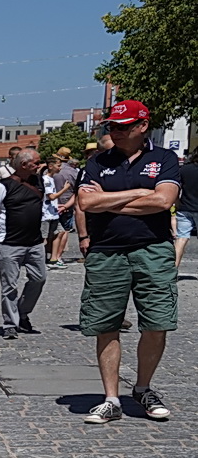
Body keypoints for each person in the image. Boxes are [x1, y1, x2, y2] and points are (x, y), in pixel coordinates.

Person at [75, 99, 181, 423]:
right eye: (112, 126)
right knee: (105, 325)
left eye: (123, 126)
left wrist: (107, 201)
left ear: (142, 125)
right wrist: (139, 193)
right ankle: (111, 398)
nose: (115, 132)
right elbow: (85, 202)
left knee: (158, 322)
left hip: (154, 249)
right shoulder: (98, 161)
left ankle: (143, 388)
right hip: (107, 251)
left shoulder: (164, 158)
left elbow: (163, 200)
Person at [0, 150, 48, 339]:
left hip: (35, 242)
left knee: (39, 278)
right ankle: (10, 324)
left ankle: (22, 312)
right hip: (10, 243)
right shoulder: (3, 186)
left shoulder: (38, 182)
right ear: (23, 165)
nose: (39, 166)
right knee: (10, 286)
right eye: (36, 163)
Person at [45, 150, 78, 267]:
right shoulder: (73, 172)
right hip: (66, 203)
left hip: (50, 206)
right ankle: (57, 257)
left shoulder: (46, 172)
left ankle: (49, 256)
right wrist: (66, 204)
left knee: (50, 232)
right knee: (64, 231)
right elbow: (77, 190)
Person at [176, 151, 198, 273]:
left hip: (185, 207)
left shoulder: (185, 169)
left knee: (181, 238)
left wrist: (176, 203)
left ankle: (173, 269)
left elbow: (176, 188)